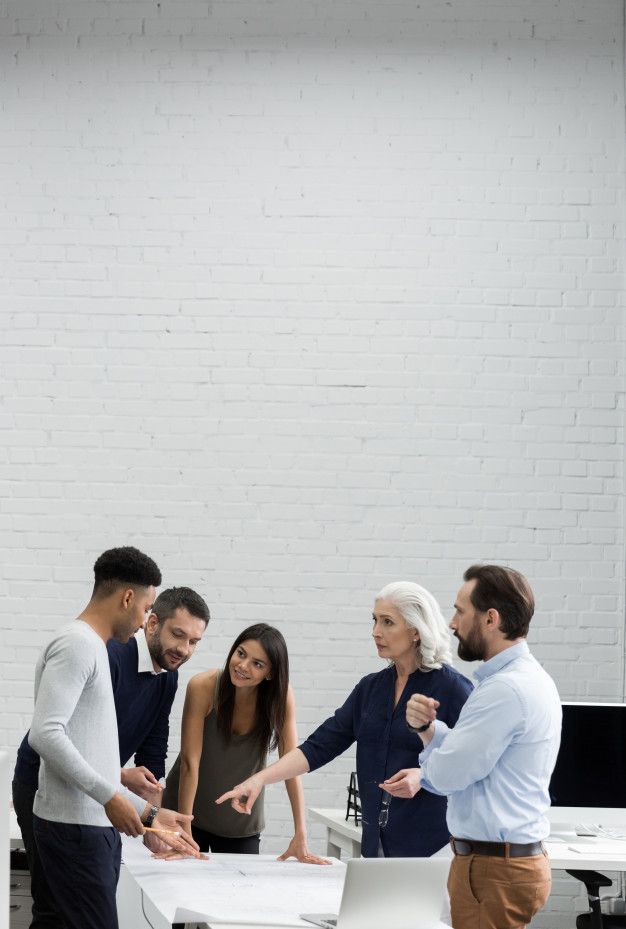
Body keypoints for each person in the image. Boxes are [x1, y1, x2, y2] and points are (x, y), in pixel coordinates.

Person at [216, 582, 473, 857]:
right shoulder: (371, 689)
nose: (376, 632)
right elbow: (319, 746)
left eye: (388, 622)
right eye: (375, 620)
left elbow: (476, 765)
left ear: (415, 631)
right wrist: (259, 780)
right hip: (376, 846)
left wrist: (423, 777)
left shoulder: (454, 689)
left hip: (435, 849)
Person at [13, 583, 211, 929]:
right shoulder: (107, 656)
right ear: (152, 624)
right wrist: (119, 776)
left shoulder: (168, 677)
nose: (184, 649)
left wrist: (152, 817)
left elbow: (153, 747)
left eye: (194, 642)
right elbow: (64, 736)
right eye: (178, 635)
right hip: (45, 780)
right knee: (56, 902)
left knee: (62, 910)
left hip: (95, 787)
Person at [404, 564, 562, 929]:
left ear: (491, 618)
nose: (451, 623)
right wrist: (430, 729)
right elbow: (476, 761)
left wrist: (428, 762)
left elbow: (446, 776)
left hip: (492, 871)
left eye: (460, 611)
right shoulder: (527, 680)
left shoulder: (503, 690)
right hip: (503, 866)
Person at [161, 622, 328, 863]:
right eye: (241, 654)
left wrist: (300, 834)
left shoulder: (280, 698)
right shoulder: (203, 686)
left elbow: (292, 766)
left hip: (239, 824)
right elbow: (189, 762)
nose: (242, 665)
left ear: (270, 673)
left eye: (257, 664)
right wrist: (185, 829)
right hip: (184, 814)